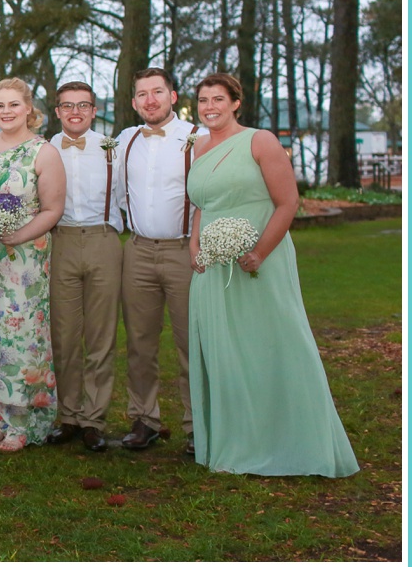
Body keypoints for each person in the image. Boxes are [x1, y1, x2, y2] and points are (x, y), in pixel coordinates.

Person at [187, 74, 358, 477]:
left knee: (273, 345)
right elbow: (201, 205)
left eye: (217, 99)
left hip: (260, 261)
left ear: (235, 103)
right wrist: (194, 249)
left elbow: (287, 202)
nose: (209, 106)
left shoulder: (259, 140)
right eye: (202, 100)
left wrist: (259, 252)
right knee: (224, 352)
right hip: (212, 266)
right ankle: (235, 440)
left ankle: (289, 439)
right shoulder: (197, 147)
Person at [0, 78, 64, 452]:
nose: (6, 112)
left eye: (13, 105)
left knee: (19, 337)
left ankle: (22, 421)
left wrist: (17, 234)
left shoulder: (44, 152)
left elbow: (53, 209)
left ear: (28, 109)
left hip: (24, 259)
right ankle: (0, 415)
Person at [116, 67, 205, 455]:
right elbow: (117, 192)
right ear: (134, 102)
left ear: (172, 95)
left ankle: (198, 424)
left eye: (157, 92)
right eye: (142, 94)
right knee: (139, 342)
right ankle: (144, 419)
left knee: (193, 342)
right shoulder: (124, 140)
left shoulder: (197, 139)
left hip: (185, 251)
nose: (150, 100)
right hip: (136, 250)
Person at [44, 81, 124, 454]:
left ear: (94, 111)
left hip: (103, 241)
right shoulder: (43, 150)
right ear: (57, 111)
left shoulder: (114, 149)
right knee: (64, 334)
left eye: (83, 105)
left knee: (101, 335)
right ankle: (69, 416)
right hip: (59, 242)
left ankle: (94, 419)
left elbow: (129, 195)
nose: (75, 112)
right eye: (67, 106)